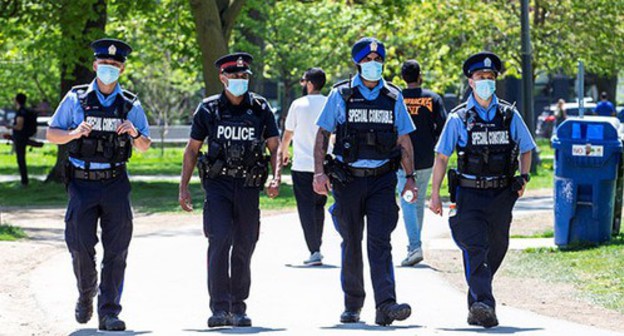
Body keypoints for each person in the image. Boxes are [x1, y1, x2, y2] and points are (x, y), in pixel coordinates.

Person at [46, 38, 151, 331]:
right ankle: (86, 292)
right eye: (104, 64)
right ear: (95, 65)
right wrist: (73, 133)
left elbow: (145, 145)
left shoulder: (130, 103)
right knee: (80, 246)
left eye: (115, 66)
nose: (109, 69)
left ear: (122, 69)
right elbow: (51, 134)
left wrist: (133, 133)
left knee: (117, 251)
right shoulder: (75, 99)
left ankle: (109, 312)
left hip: (116, 182)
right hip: (82, 183)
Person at [313, 37, 418, 326]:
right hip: (348, 180)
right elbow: (323, 135)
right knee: (351, 241)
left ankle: (386, 305)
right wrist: (319, 173)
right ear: (358, 63)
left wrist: (409, 179)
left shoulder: (394, 97)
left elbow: (403, 139)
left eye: (378, 60)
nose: (374, 65)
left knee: (380, 241)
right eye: (368, 60)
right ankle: (353, 303)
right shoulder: (341, 95)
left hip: (383, 179)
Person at [428, 52, 536, 328]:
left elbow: (527, 148)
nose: (486, 81)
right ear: (471, 82)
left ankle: (476, 302)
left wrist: (523, 177)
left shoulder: (509, 115)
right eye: (480, 78)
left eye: (490, 78)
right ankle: (486, 304)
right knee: (476, 247)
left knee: (497, 248)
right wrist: (435, 193)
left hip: (502, 194)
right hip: (469, 193)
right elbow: (442, 156)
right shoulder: (459, 118)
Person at [178, 52, 281, 328]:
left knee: (245, 244)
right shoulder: (209, 109)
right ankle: (219, 307)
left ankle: (239, 306)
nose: (239, 79)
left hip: (248, 186)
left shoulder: (260, 108)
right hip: (218, 186)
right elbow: (192, 149)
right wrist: (183, 187)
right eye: (234, 75)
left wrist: (276, 177)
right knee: (220, 240)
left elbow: (275, 145)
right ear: (223, 78)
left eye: (244, 76)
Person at [397, 60, 447, 266]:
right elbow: (443, 125)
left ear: (403, 78)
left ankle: (414, 246)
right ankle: (415, 244)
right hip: (426, 157)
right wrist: (432, 141)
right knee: (416, 200)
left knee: (408, 200)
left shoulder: (397, 98)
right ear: (420, 76)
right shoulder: (432, 98)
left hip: (401, 158)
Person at [280, 67, 329, 266]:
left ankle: (314, 249)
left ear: (309, 83)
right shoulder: (329, 103)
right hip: (324, 166)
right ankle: (317, 246)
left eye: (303, 81)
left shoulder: (298, 105)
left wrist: (283, 151)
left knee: (306, 208)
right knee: (319, 206)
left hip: (302, 166)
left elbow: (288, 133)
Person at [6, 93, 36, 186]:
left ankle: (24, 181)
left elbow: (19, 126)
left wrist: (10, 126)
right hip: (24, 136)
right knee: (21, 158)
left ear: (17, 100)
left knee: (21, 159)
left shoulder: (20, 112)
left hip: (20, 137)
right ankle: (24, 180)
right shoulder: (26, 111)